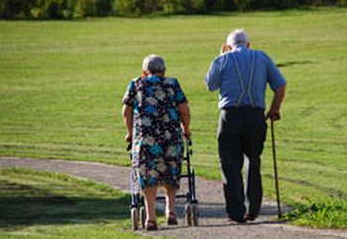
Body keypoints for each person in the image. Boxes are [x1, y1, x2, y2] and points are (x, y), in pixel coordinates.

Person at [205, 29, 286, 223]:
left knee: (230, 164)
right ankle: (253, 209)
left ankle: (236, 212)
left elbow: (211, 85)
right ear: (248, 44)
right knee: (253, 160)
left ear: (229, 46)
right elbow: (281, 85)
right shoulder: (262, 57)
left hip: (230, 116)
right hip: (255, 116)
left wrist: (220, 56)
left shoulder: (223, 60)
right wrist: (274, 109)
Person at [122, 55, 191, 230]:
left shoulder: (136, 84)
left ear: (144, 72)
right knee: (171, 169)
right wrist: (186, 129)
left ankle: (151, 218)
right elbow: (184, 110)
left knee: (147, 174)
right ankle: (171, 211)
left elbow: (126, 111)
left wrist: (130, 133)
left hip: (146, 139)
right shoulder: (172, 84)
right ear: (164, 71)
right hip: (171, 138)